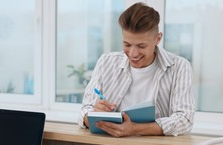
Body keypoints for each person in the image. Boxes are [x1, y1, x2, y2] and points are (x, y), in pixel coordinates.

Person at [78, 2, 195, 137]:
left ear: (158, 38)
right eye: (127, 44)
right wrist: (93, 115)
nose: (133, 54)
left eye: (141, 46)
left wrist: (135, 129)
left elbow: (185, 120)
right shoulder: (106, 62)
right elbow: (83, 112)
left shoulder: (179, 67)